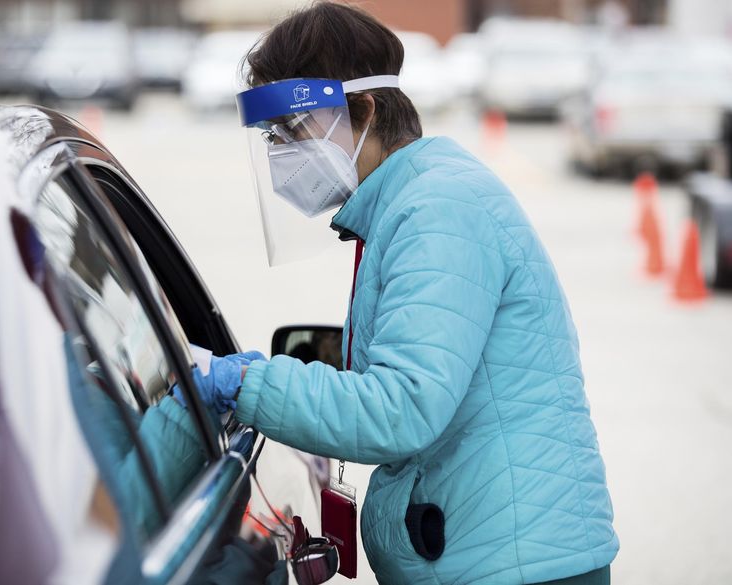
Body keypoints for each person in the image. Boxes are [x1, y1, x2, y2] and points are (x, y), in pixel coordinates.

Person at [205, 3, 619, 584]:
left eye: (294, 131)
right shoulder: (414, 199)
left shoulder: (437, 211)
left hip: (512, 566)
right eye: (273, 137)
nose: (282, 155)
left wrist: (245, 384)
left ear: (365, 112)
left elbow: (401, 407)